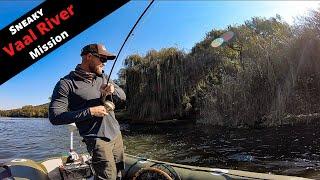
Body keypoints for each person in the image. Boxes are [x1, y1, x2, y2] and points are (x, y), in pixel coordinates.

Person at [49, 43, 126, 180]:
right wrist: (90, 111)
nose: (104, 63)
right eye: (102, 59)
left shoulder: (103, 77)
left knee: (119, 173)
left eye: (106, 60)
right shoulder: (66, 84)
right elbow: (55, 117)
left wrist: (113, 90)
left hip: (116, 135)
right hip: (97, 140)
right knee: (107, 177)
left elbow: (123, 96)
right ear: (89, 57)